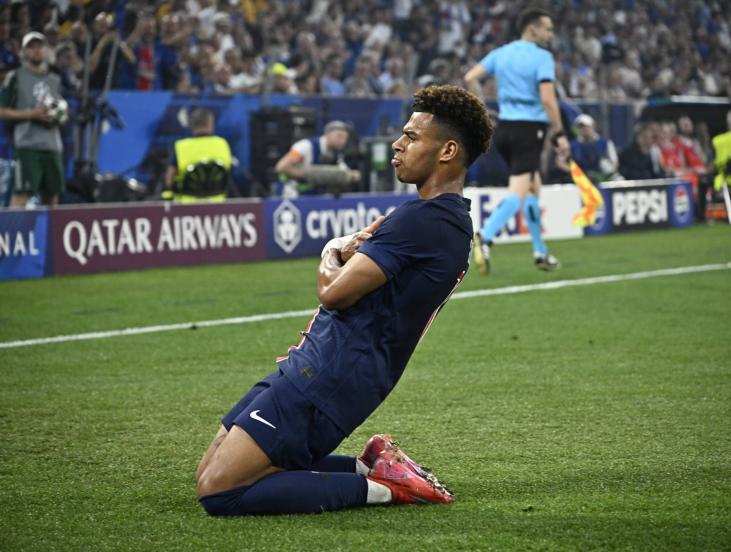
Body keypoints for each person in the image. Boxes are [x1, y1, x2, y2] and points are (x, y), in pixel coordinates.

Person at [195, 85, 493, 516]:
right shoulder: (445, 220)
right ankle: (368, 466)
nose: (397, 143)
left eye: (411, 136)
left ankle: (385, 488)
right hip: (317, 363)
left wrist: (331, 251)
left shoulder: (423, 220)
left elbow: (333, 293)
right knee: (212, 469)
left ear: (447, 151)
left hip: (331, 376)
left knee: (221, 492)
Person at [464, 7, 568, 274]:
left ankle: (540, 252)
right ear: (532, 28)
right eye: (547, 28)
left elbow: (470, 78)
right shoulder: (542, 57)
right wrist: (559, 132)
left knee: (533, 187)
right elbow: (547, 98)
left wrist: (483, 108)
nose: (550, 33)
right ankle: (485, 237)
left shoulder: (502, 53)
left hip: (506, 129)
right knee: (519, 192)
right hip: (529, 130)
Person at [0, 32, 65, 208]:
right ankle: (14, 234)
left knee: (51, 199)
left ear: (46, 50)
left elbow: (60, 111)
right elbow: (2, 111)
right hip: (28, 146)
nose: (37, 50)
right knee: (21, 197)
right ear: (24, 52)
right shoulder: (16, 77)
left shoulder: (54, 80)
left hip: (53, 146)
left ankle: (50, 236)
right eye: (32, 47)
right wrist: (32, 115)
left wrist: (60, 117)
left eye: (40, 46)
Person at [164, 108, 233, 202]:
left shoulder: (180, 146)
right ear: (210, 124)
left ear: (191, 126)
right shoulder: (222, 143)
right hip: (218, 202)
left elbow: (169, 179)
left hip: (186, 206)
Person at [275, 120, 361, 195]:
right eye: (339, 136)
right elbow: (281, 167)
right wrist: (313, 175)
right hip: (291, 192)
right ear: (327, 134)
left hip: (310, 194)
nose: (342, 141)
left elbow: (343, 172)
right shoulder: (305, 146)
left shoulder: (337, 154)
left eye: (345, 138)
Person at [570, 113, 620, 182]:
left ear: (593, 126)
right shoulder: (573, 145)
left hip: (604, 178)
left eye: (586, 126)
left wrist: (605, 175)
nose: (584, 129)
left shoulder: (605, 143)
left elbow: (615, 162)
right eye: (581, 127)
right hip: (581, 180)